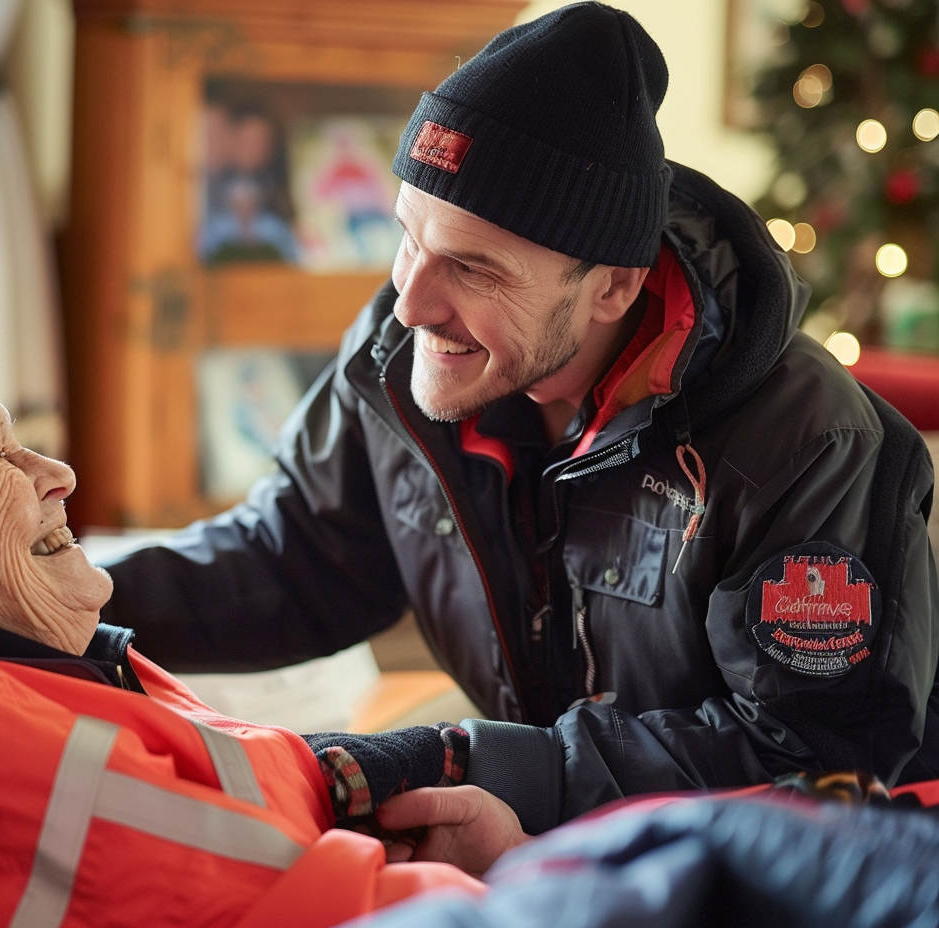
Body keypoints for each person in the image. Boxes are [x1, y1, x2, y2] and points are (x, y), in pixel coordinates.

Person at [102, 0, 939, 856]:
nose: (412, 304)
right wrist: (58, 590)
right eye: (408, 239)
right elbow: (294, 561)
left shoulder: (810, 446)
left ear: (613, 287)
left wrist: (491, 772)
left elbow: (814, 761)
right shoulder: (405, 349)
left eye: (471, 266)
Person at [0, 296, 489, 928]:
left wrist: (391, 771)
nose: (60, 474)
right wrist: (517, 865)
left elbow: (252, 795)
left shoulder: (23, 661)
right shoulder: (1, 756)